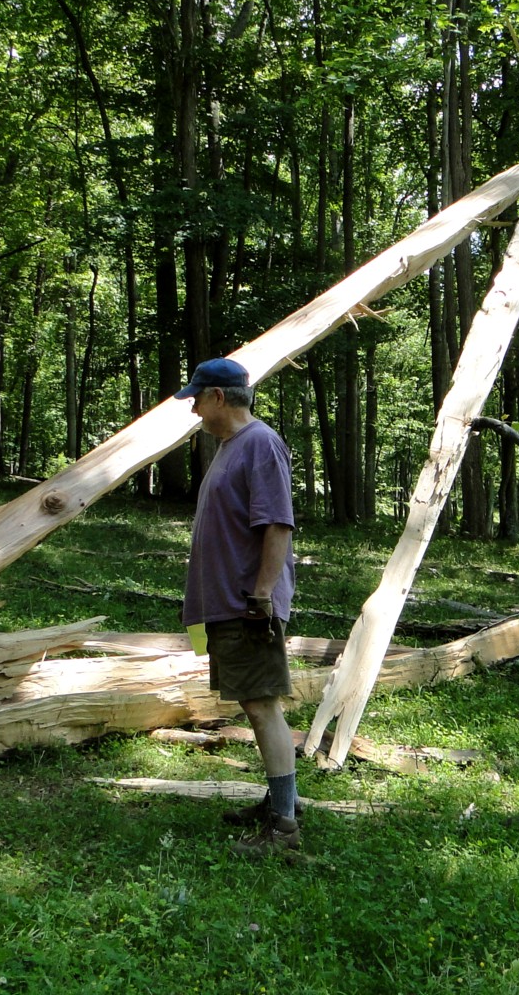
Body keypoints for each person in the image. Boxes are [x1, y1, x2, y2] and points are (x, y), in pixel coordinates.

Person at [177, 356, 301, 856]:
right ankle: (280, 803)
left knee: (261, 703)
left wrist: (262, 595)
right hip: (229, 603)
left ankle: (284, 827)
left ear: (218, 397)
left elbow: (277, 524)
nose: (193, 411)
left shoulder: (260, 444)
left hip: (248, 604)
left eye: (196, 400)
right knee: (255, 703)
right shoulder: (232, 446)